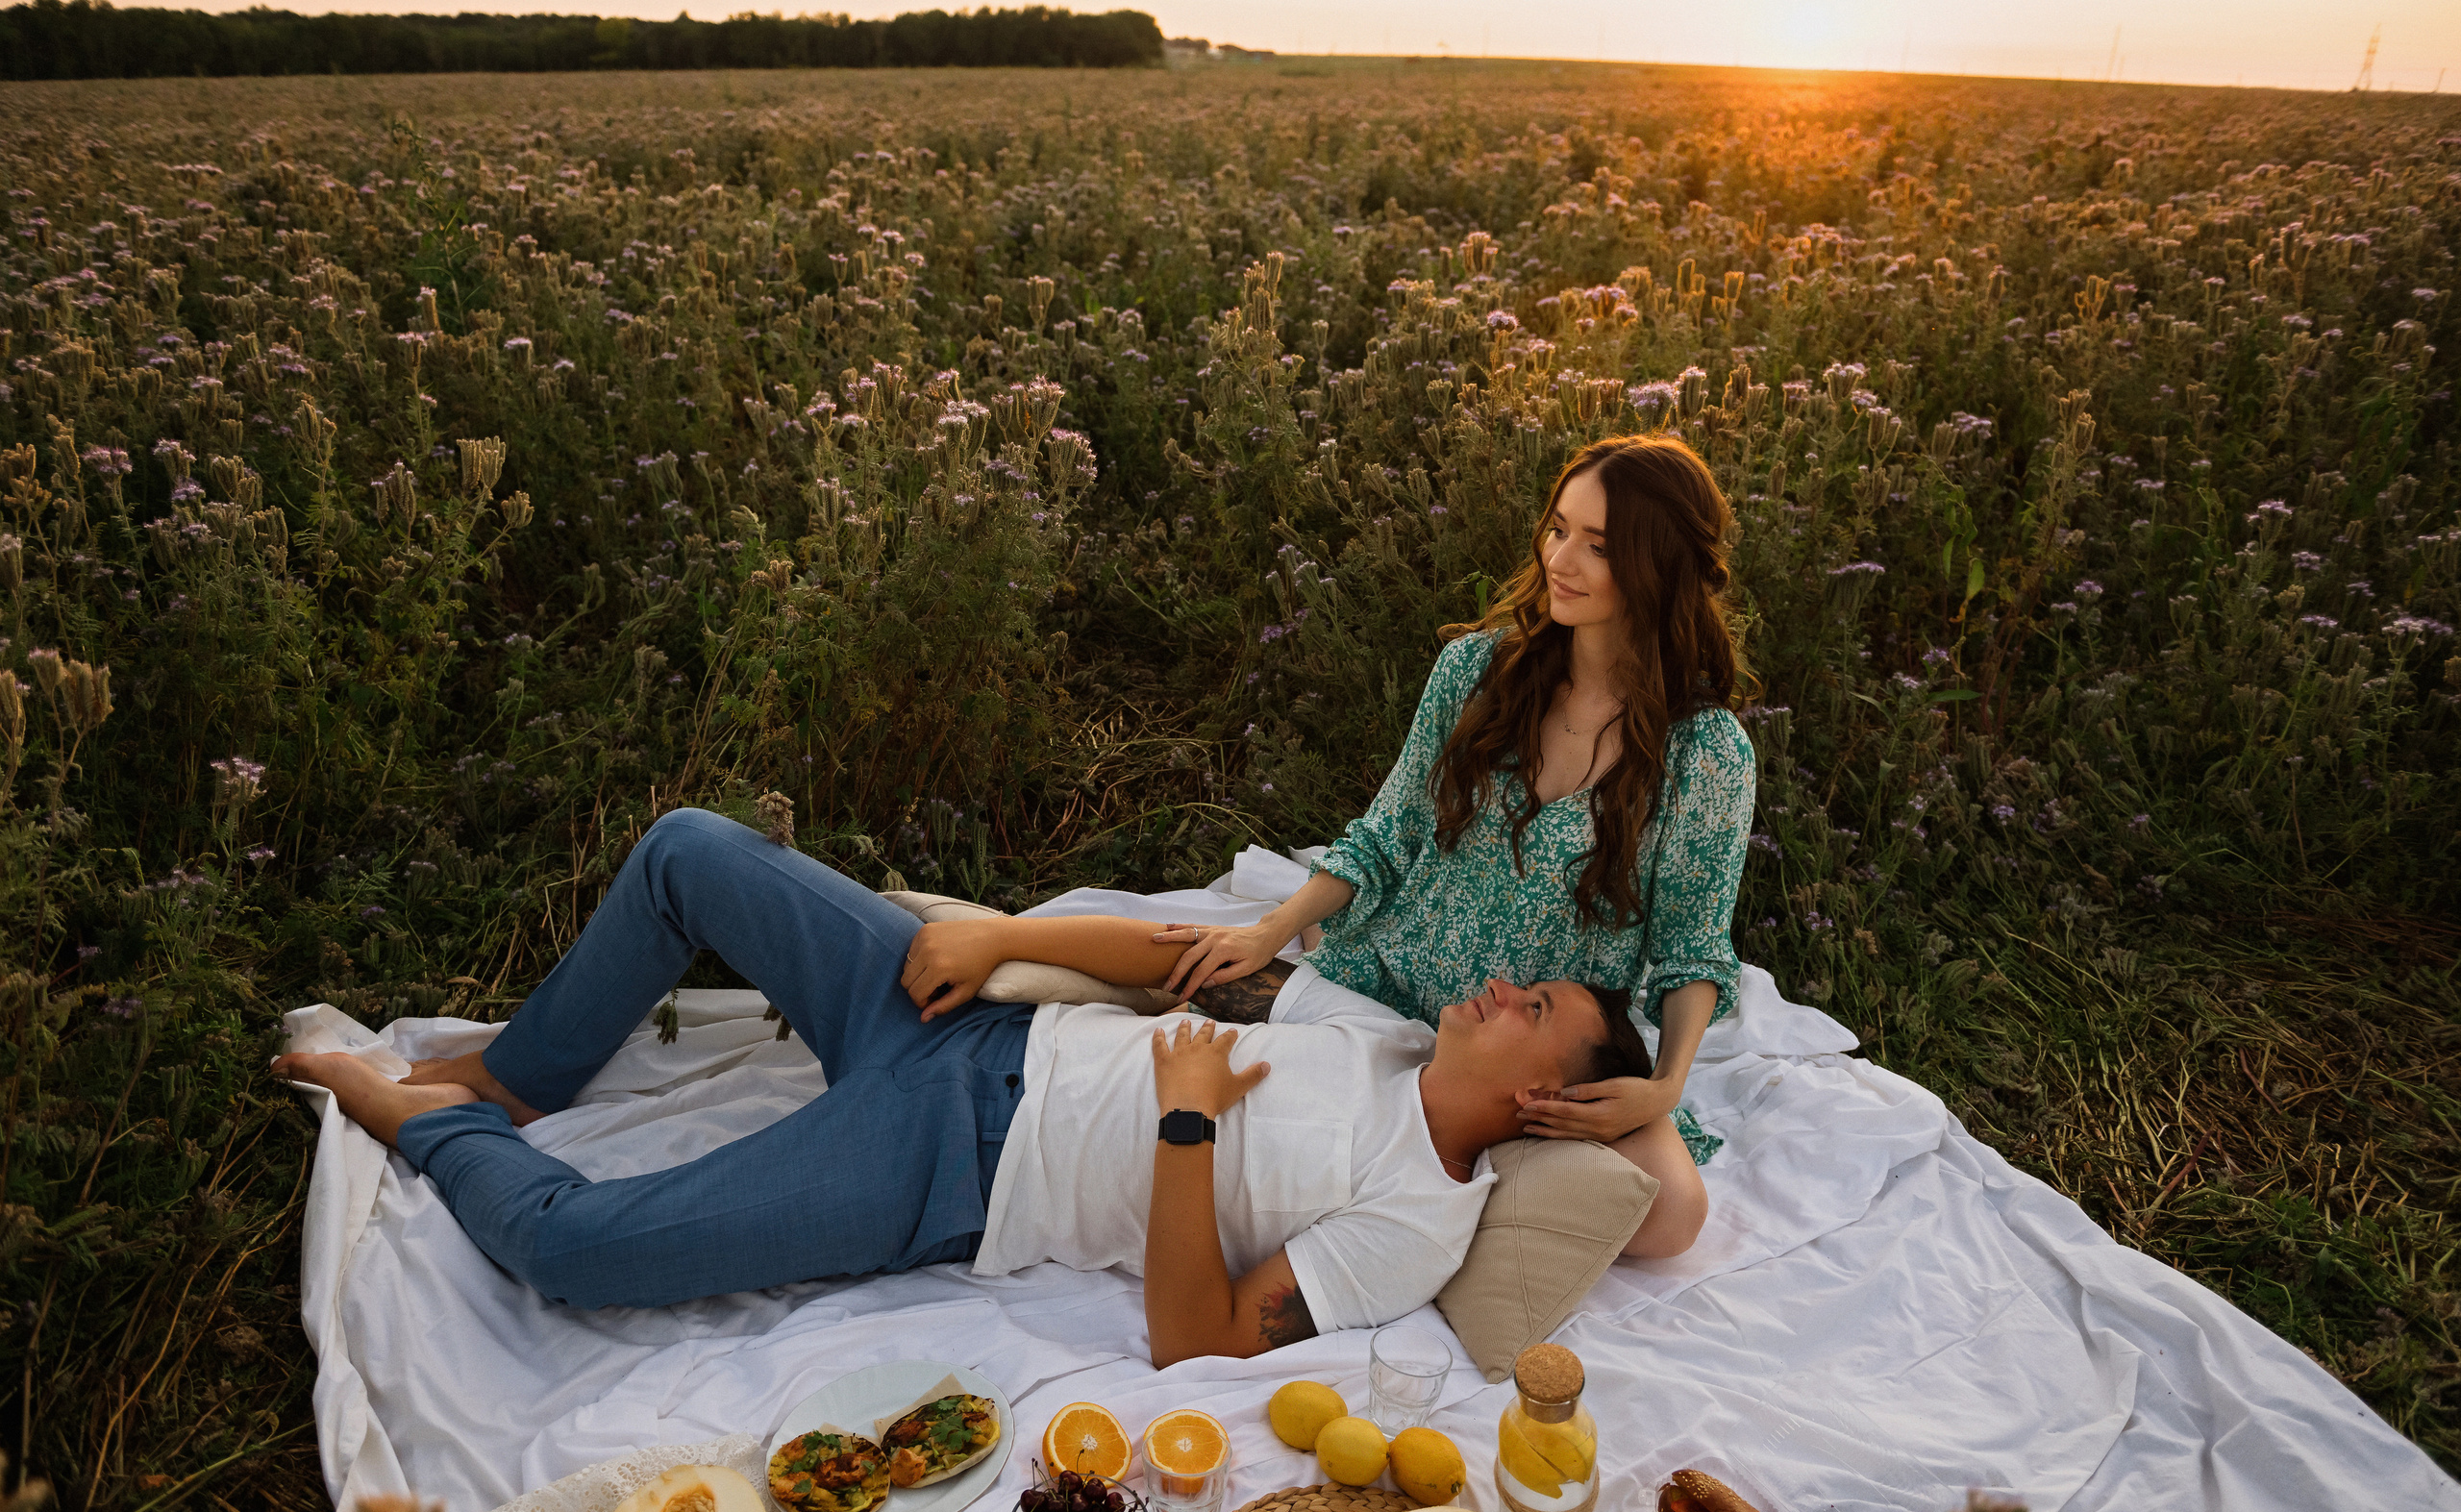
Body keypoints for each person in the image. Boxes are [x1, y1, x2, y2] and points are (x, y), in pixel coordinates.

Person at [274, 806, 1675, 1369]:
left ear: (1544, 1102)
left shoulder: (1416, 1221)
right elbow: (1179, 958)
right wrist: (1002, 935)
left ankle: (439, 1125)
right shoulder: (1379, 1036)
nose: (1502, 988)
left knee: (577, 1252)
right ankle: (520, 1076)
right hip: (967, 1021)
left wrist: (1187, 1122)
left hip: (947, 1170)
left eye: (1536, 1009)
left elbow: (1196, 1340)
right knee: (690, 850)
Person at [1155, 434, 1755, 1259]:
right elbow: (1387, 835)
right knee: (1179, 1019)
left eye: (1599, 545)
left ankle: (1451, 1150)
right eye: (1558, 529)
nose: (1560, 559)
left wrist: (1663, 1087)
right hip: (1393, 985)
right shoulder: (1475, 671)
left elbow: (1692, 949)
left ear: (1660, 566)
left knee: (1670, 1216)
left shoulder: (1706, 755)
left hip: (1532, 1047)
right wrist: (1271, 929)